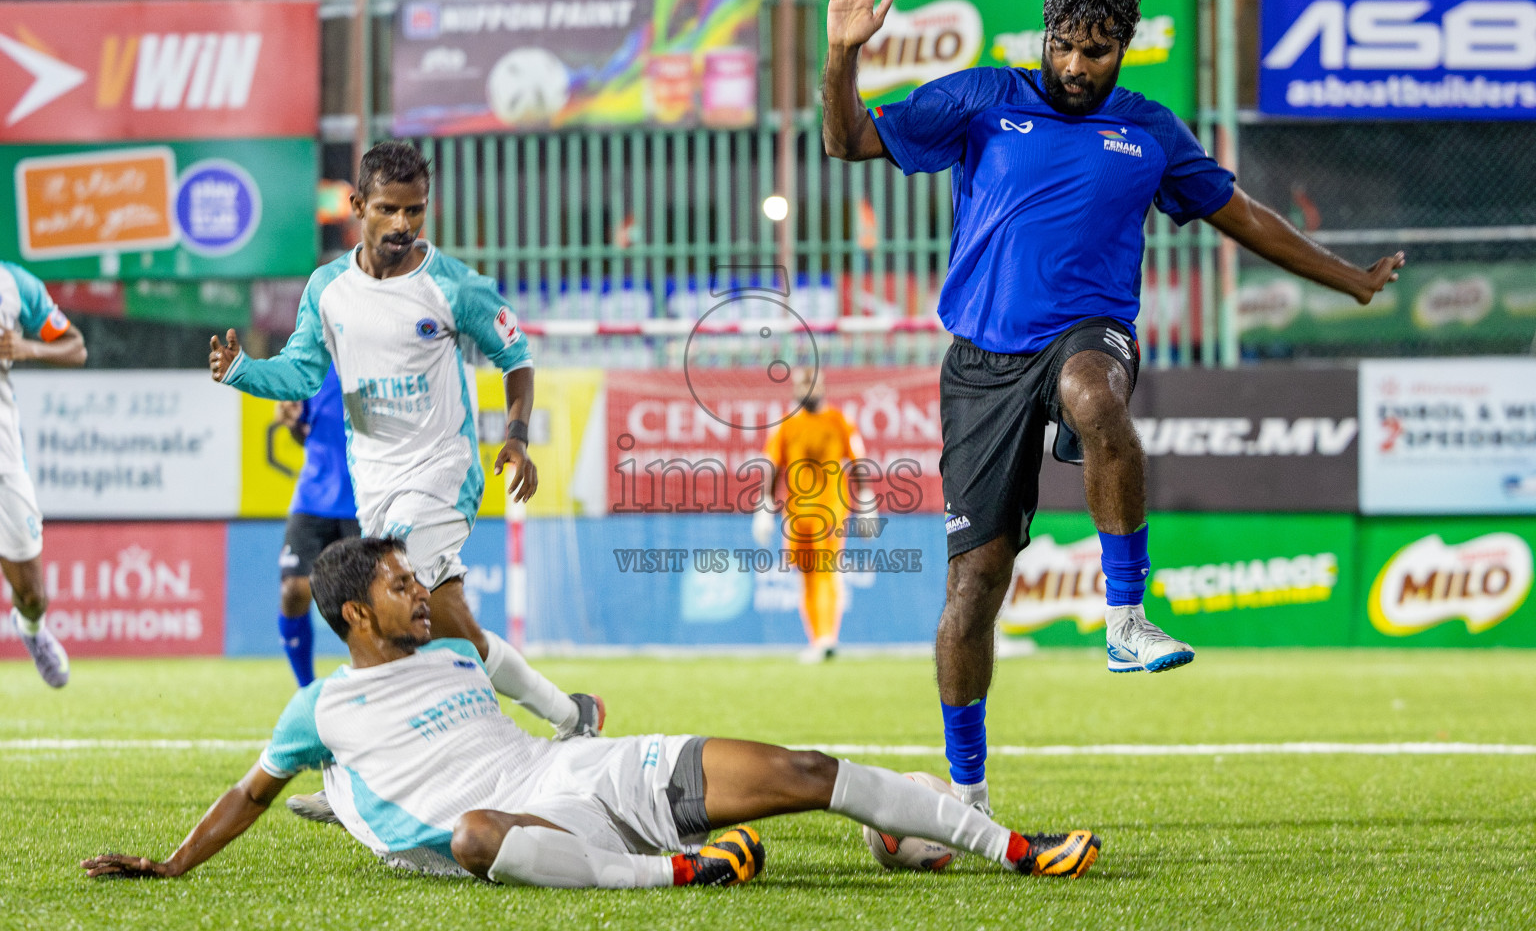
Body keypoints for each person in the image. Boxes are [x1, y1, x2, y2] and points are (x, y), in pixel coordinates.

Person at [822, 0, 1404, 813]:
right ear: (1045, 38)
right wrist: (841, 58)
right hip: (982, 365)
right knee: (973, 589)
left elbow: (1243, 217)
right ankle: (969, 793)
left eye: (1096, 51)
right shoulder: (982, 98)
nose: (1075, 65)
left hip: (1087, 332)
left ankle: (1126, 619)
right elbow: (848, 140)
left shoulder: (1150, 132)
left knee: (1095, 394)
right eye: (1063, 45)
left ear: (1124, 47)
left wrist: (1348, 277)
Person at [80, 536, 1101, 888]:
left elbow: (514, 668)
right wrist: (171, 863)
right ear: (356, 611)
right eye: (399, 583)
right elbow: (249, 793)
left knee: (804, 768)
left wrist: (572, 710)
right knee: (479, 833)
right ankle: (673, 874)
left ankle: (1007, 843)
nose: (418, 590)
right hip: (516, 830)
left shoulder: (449, 645)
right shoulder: (320, 705)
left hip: (574, 771)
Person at [209, 141, 598, 820]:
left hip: (443, 477)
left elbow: (517, 356)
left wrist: (516, 435)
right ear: (357, 206)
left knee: (397, 616)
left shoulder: (451, 285)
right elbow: (301, 373)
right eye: (387, 209)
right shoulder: (328, 290)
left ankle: (370, 769)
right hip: (376, 486)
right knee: (448, 632)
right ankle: (572, 714)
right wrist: (243, 371)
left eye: (414, 211)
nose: (402, 225)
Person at [0, 263, 87, 688]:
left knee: (33, 595)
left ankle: (31, 629)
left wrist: (26, 348)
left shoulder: (15, 285)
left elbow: (75, 347)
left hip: (4, 458)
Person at [754, 367, 869, 663]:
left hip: (830, 511)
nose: (808, 389)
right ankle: (819, 638)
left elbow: (858, 459)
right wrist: (765, 508)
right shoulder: (786, 425)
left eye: (813, 383)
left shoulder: (839, 421)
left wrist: (866, 500)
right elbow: (772, 464)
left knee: (826, 572)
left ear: (822, 386)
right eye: (803, 383)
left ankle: (827, 637)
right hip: (797, 514)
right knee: (806, 576)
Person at [273, 365, 359, 686]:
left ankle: (370, 688)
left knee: (364, 602)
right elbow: (303, 429)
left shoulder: (373, 353)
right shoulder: (315, 360)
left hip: (364, 497)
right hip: (313, 496)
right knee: (293, 589)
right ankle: (306, 691)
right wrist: (293, 419)